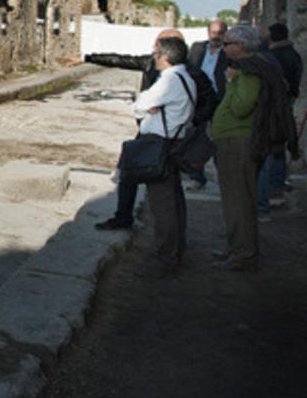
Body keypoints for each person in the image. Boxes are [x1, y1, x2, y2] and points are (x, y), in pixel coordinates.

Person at [87, 29, 213, 230]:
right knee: (128, 174)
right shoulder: (157, 65)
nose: (154, 49)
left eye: (159, 45)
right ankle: (123, 216)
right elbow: (121, 60)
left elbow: (208, 103)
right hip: (152, 131)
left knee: (163, 193)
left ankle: (169, 251)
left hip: (165, 136)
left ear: (171, 50)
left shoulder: (187, 74)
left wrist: (181, 119)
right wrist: (88, 58)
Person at [211, 24, 296, 271]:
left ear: (240, 46)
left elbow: (241, 107)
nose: (223, 48)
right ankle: (237, 248)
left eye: (227, 44)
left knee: (239, 201)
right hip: (237, 140)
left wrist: (230, 82)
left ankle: (243, 255)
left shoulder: (248, 71)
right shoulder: (251, 67)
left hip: (239, 142)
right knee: (237, 199)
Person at [131, 36, 195, 273]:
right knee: (173, 201)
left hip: (160, 146)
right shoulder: (185, 77)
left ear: (165, 56)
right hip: (173, 144)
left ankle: (166, 258)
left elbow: (138, 104)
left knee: (163, 205)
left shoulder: (169, 80)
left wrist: (146, 105)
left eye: (156, 53)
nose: (154, 57)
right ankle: (175, 250)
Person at [259, 21, 303, 211]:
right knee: (280, 142)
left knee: (272, 143)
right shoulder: (293, 54)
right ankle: (277, 184)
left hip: (275, 105)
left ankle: (273, 187)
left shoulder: (273, 56)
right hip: (286, 102)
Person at [184, 19, 230, 190]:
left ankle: (223, 177)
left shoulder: (229, 51)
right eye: (213, 33)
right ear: (207, 32)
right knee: (196, 138)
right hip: (200, 100)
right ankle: (197, 177)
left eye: (220, 33)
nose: (216, 37)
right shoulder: (197, 48)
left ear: (226, 34)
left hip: (220, 101)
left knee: (220, 139)